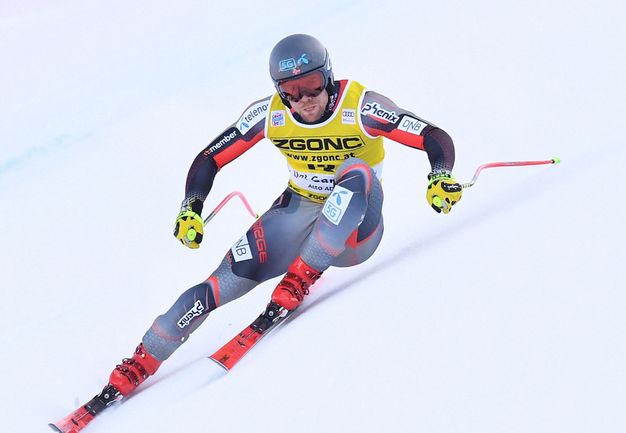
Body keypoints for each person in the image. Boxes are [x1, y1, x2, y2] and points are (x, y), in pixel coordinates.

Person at [106, 34, 462, 401]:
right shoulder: (269, 114)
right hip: (299, 210)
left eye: (311, 85)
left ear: (328, 76)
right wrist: (191, 206)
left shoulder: (361, 107)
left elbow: (431, 135)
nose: (304, 100)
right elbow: (210, 157)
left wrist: (440, 174)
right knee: (217, 285)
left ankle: (299, 278)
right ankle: (139, 363)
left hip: (354, 233)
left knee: (356, 170)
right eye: (292, 90)